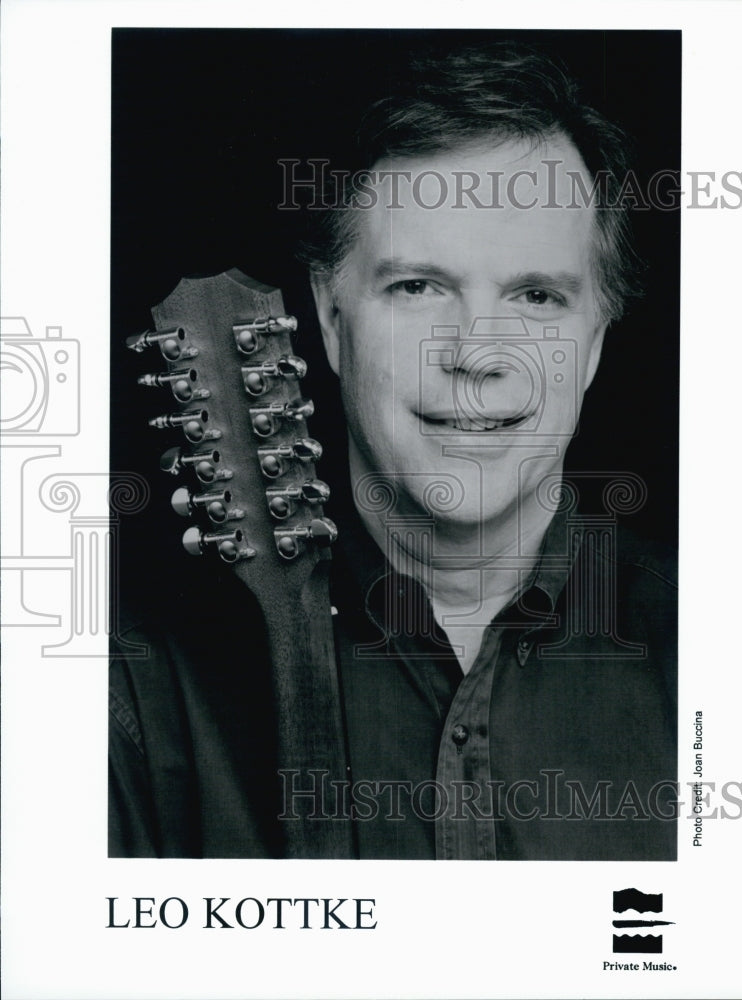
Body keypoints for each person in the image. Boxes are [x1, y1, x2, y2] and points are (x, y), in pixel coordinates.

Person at [110, 41, 677, 860]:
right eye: (418, 287)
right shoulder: (135, 692)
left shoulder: (728, 658)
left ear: (594, 341)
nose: (477, 354)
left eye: (537, 296)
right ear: (330, 317)